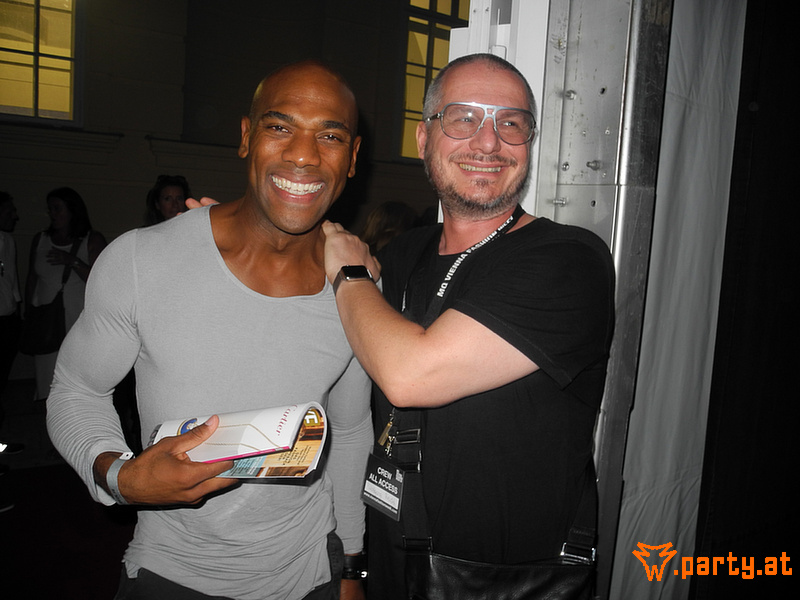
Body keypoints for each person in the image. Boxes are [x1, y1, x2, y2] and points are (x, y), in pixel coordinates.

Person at [46, 61, 372, 600]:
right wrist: (121, 477)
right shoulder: (142, 260)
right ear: (246, 137)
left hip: (311, 571)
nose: (304, 155)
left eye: (330, 136)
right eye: (280, 126)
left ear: (353, 157)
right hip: (172, 571)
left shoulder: (357, 290)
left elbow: (351, 430)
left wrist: (352, 567)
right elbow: (77, 390)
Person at [322, 53, 615, 599]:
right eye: (464, 118)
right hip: (389, 565)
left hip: (506, 582)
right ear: (423, 138)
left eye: (511, 123)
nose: (488, 142)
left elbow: (410, 375)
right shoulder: (403, 253)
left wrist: (350, 272)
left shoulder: (569, 260)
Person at [24, 187, 107, 401]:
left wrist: (73, 262)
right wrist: (28, 311)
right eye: (50, 209)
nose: (52, 214)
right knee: (47, 378)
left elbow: (102, 282)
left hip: (77, 322)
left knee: (76, 381)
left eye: (58, 208)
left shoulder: (91, 239)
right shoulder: (41, 239)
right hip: (46, 320)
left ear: (72, 210)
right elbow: (32, 278)